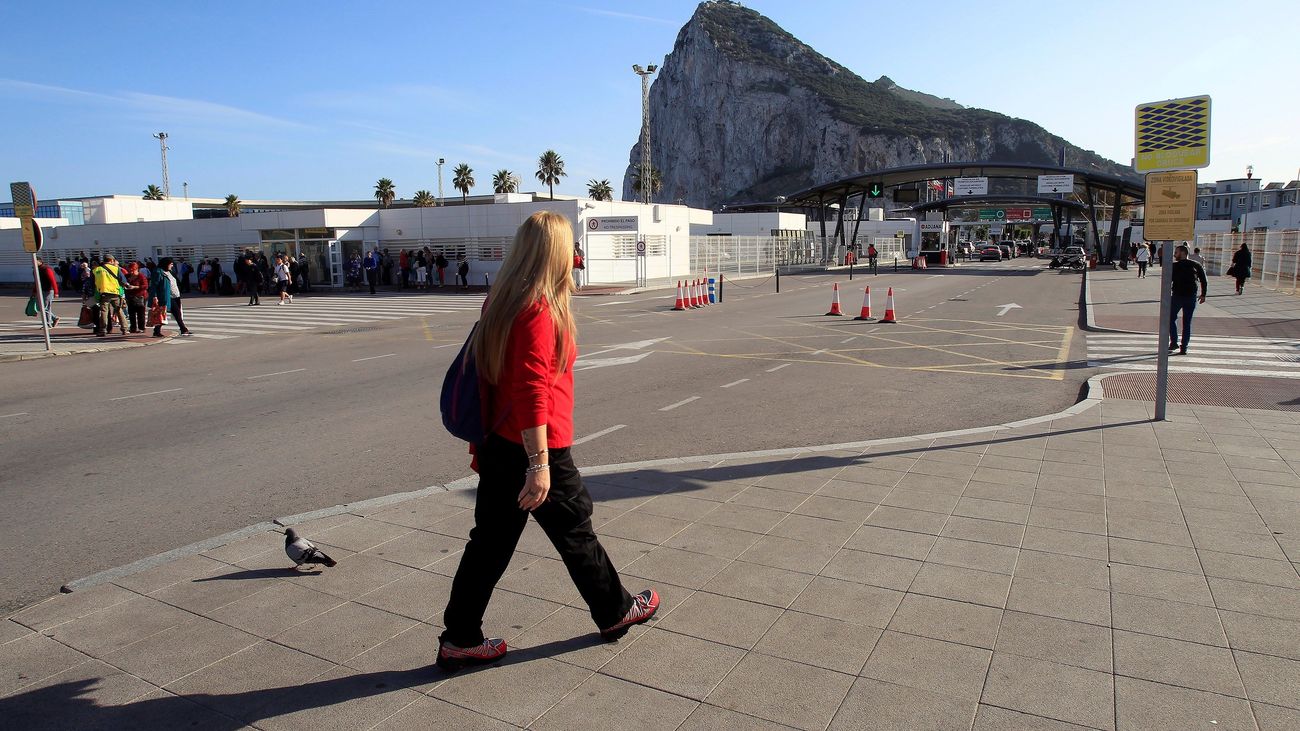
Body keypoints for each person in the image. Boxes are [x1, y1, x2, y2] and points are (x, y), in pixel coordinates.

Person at [437, 211, 658, 671]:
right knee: (575, 529)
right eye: (570, 245)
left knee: (490, 544)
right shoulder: (537, 311)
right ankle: (616, 611)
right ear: (555, 252)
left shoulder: (501, 299)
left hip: (500, 445)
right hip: (537, 448)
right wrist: (539, 465)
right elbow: (530, 392)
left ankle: (459, 638)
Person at [1168, 244, 1208, 356]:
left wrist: (1203, 294)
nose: (1175, 254)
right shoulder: (1196, 265)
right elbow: (1204, 280)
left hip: (1178, 296)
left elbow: (1167, 281)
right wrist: (1203, 294)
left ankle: (1174, 342)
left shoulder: (1174, 266)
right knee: (1187, 323)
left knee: (1171, 318)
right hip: (1190, 297)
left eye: (1176, 252)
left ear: (1183, 253)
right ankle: (1183, 347)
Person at [152, 257, 191, 336]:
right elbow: (154, 285)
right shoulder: (158, 272)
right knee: (175, 312)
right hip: (166, 296)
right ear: (166, 264)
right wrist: (155, 296)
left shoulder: (170, 272)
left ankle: (156, 331)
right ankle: (183, 329)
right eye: (171, 264)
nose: (172, 266)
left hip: (175, 295)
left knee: (167, 313)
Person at [93, 255, 128, 337]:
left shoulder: (96, 270)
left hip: (103, 293)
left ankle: (103, 330)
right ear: (111, 260)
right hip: (115, 292)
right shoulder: (116, 269)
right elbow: (123, 280)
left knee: (104, 312)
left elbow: (93, 283)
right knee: (119, 310)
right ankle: (124, 329)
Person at [31, 257, 59, 329]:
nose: (33, 263)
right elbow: (36, 282)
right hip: (40, 290)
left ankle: (47, 324)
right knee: (40, 307)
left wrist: (56, 292)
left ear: (40, 261)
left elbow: (53, 280)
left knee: (45, 307)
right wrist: (34, 291)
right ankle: (54, 318)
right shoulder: (35, 270)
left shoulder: (46, 269)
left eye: (35, 261)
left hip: (49, 290)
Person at [124, 262, 149, 333]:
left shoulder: (141, 276)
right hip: (130, 297)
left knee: (141, 313)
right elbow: (123, 283)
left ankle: (141, 328)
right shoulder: (127, 276)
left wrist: (134, 287)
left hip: (140, 296)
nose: (131, 272)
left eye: (133, 270)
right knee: (131, 313)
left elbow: (145, 286)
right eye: (130, 270)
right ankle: (133, 328)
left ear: (137, 269)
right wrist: (126, 286)